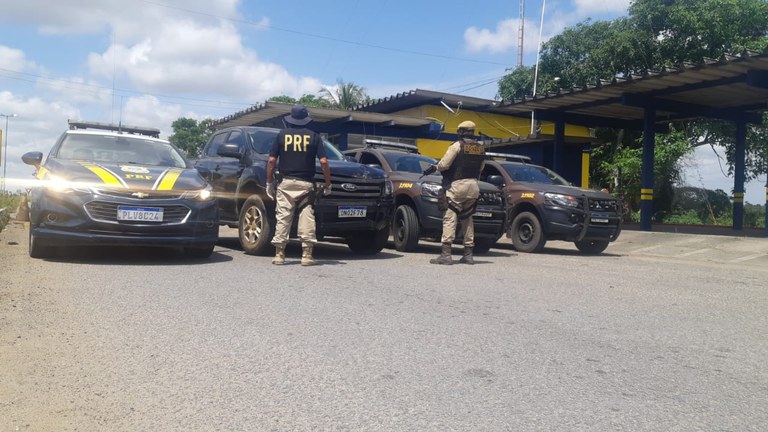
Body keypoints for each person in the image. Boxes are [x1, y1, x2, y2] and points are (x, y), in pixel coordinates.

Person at [266, 105, 332, 266]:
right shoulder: (314, 137)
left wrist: (269, 182)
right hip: (306, 184)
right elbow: (324, 162)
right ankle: (307, 255)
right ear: (306, 120)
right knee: (307, 217)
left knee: (283, 217)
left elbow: (271, 161)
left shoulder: (281, 135)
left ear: (291, 119)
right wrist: (328, 183)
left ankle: (279, 254)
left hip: (286, 182)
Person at [423, 120, 485, 265]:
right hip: (474, 186)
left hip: (457, 186)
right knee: (468, 219)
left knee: (450, 217)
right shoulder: (481, 147)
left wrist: (435, 167)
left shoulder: (457, 146)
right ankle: (468, 254)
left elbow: (444, 165)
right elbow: (481, 168)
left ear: (461, 132)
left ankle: (446, 255)